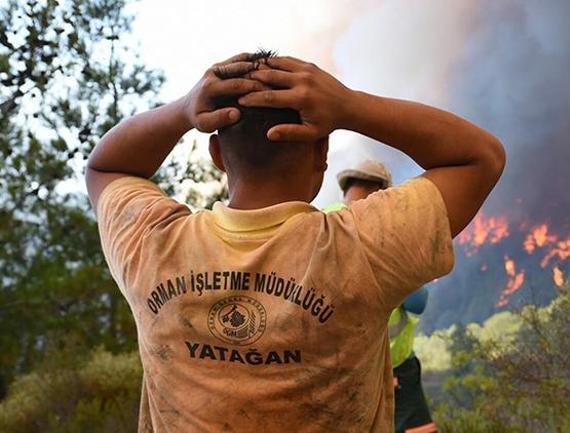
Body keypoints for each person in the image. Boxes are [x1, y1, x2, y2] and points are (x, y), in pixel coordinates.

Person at [86, 50, 505, 432]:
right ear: (322, 153)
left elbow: (106, 167)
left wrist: (181, 111)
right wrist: (349, 106)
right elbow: (479, 157)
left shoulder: (153, 244)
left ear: (216, 156)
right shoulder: (363, 249)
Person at [329, 160, 436, 433]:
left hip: (368, 369)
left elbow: (417, 302)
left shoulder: (324, 226)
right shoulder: (336, 230)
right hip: (372, 369)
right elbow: (417, 302)